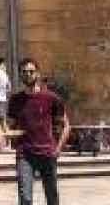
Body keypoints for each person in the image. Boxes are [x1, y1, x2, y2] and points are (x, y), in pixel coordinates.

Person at [10, 57, 70, 205]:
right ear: (20, 74)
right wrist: (5, 136)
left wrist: (58, 149)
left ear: (37, 73)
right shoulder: (15, 100)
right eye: (24, 72)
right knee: (25, 198)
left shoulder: (51, 98)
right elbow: (10, 126)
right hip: (25, 154)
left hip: (47, 153)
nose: (28, 74)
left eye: (31, 71)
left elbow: (66, 125)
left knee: (52, 198)